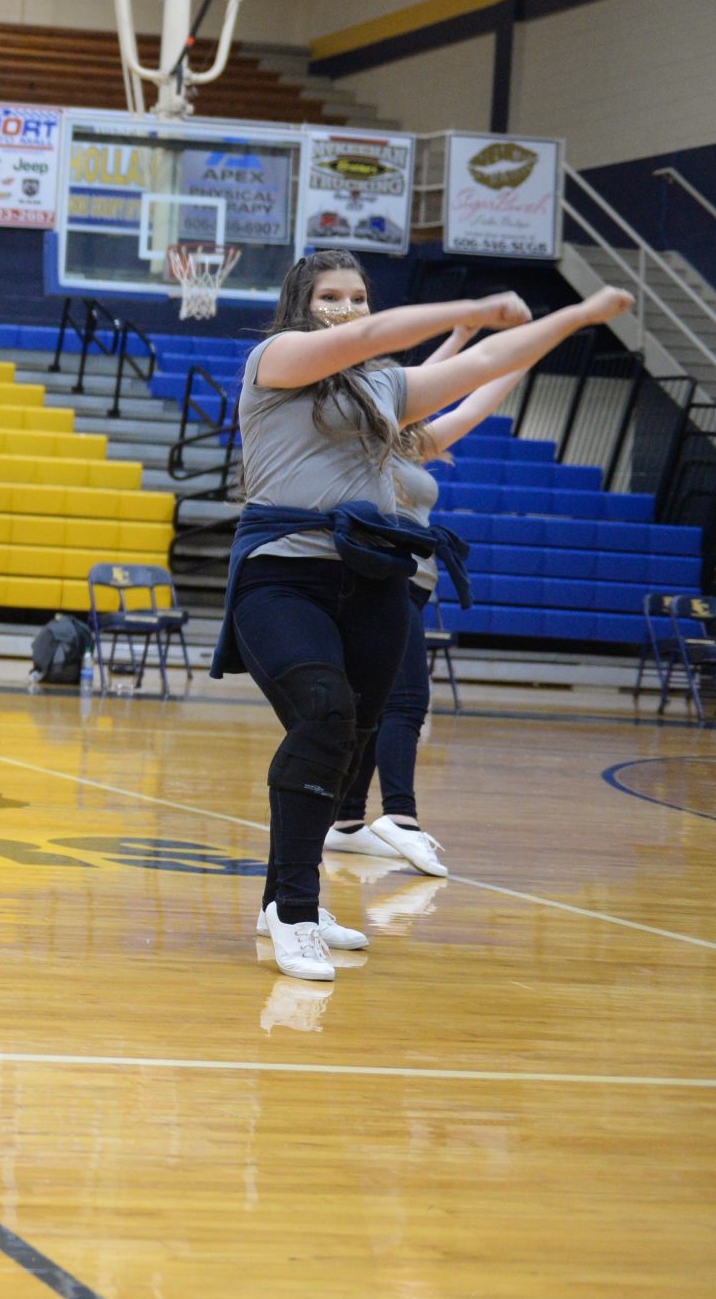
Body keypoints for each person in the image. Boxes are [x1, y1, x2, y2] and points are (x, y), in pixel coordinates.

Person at [214, 251, 632, 981]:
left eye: (358, 295)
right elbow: (367, 339)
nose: (346, 307)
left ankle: (283, 897)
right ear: (301, 303)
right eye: (330, 295)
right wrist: (469, 312)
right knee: (323, 714)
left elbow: (481, 370)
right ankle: (297, 912)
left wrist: (577, 316)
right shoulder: (274, 359)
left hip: (374, 581)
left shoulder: (384, 389)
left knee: (350, 744)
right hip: (283, 574)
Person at [324, 331, 527, 880]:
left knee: (375, 706)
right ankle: (401, 816)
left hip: (413, 586)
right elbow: (411, 389)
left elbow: (471, 403)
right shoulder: (358, 446)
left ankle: (346, 822)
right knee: (408, 702)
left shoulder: (413, 444)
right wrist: (463, 340)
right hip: (379, 583)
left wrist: (524, 353)